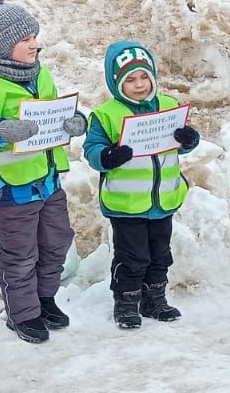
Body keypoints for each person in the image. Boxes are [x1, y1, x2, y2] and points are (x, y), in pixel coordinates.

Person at [0, 0, 86, 343]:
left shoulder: (38, 74)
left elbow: (58, 112)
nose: (34, 46)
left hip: (46, 179)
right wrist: (1, 131)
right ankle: (23, 313)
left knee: (57, 242)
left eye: (35, 38)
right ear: (4, 44)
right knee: (20, 252)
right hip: (11, 184)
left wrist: (76, 123)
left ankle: (44, 299)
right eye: (26, 39)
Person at [83, 41, 200, 329]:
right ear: (116, 83)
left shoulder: (169, 106)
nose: (139, 85)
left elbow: (179, 146)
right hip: (127, 205)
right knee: (132, 256)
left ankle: (154, 299)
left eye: (144, 77)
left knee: (160, 254)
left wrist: (189, 139)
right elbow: (92, 151)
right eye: (130, 80)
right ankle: (125, 302)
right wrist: (108, 156)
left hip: (164, 200)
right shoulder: (106, 114)